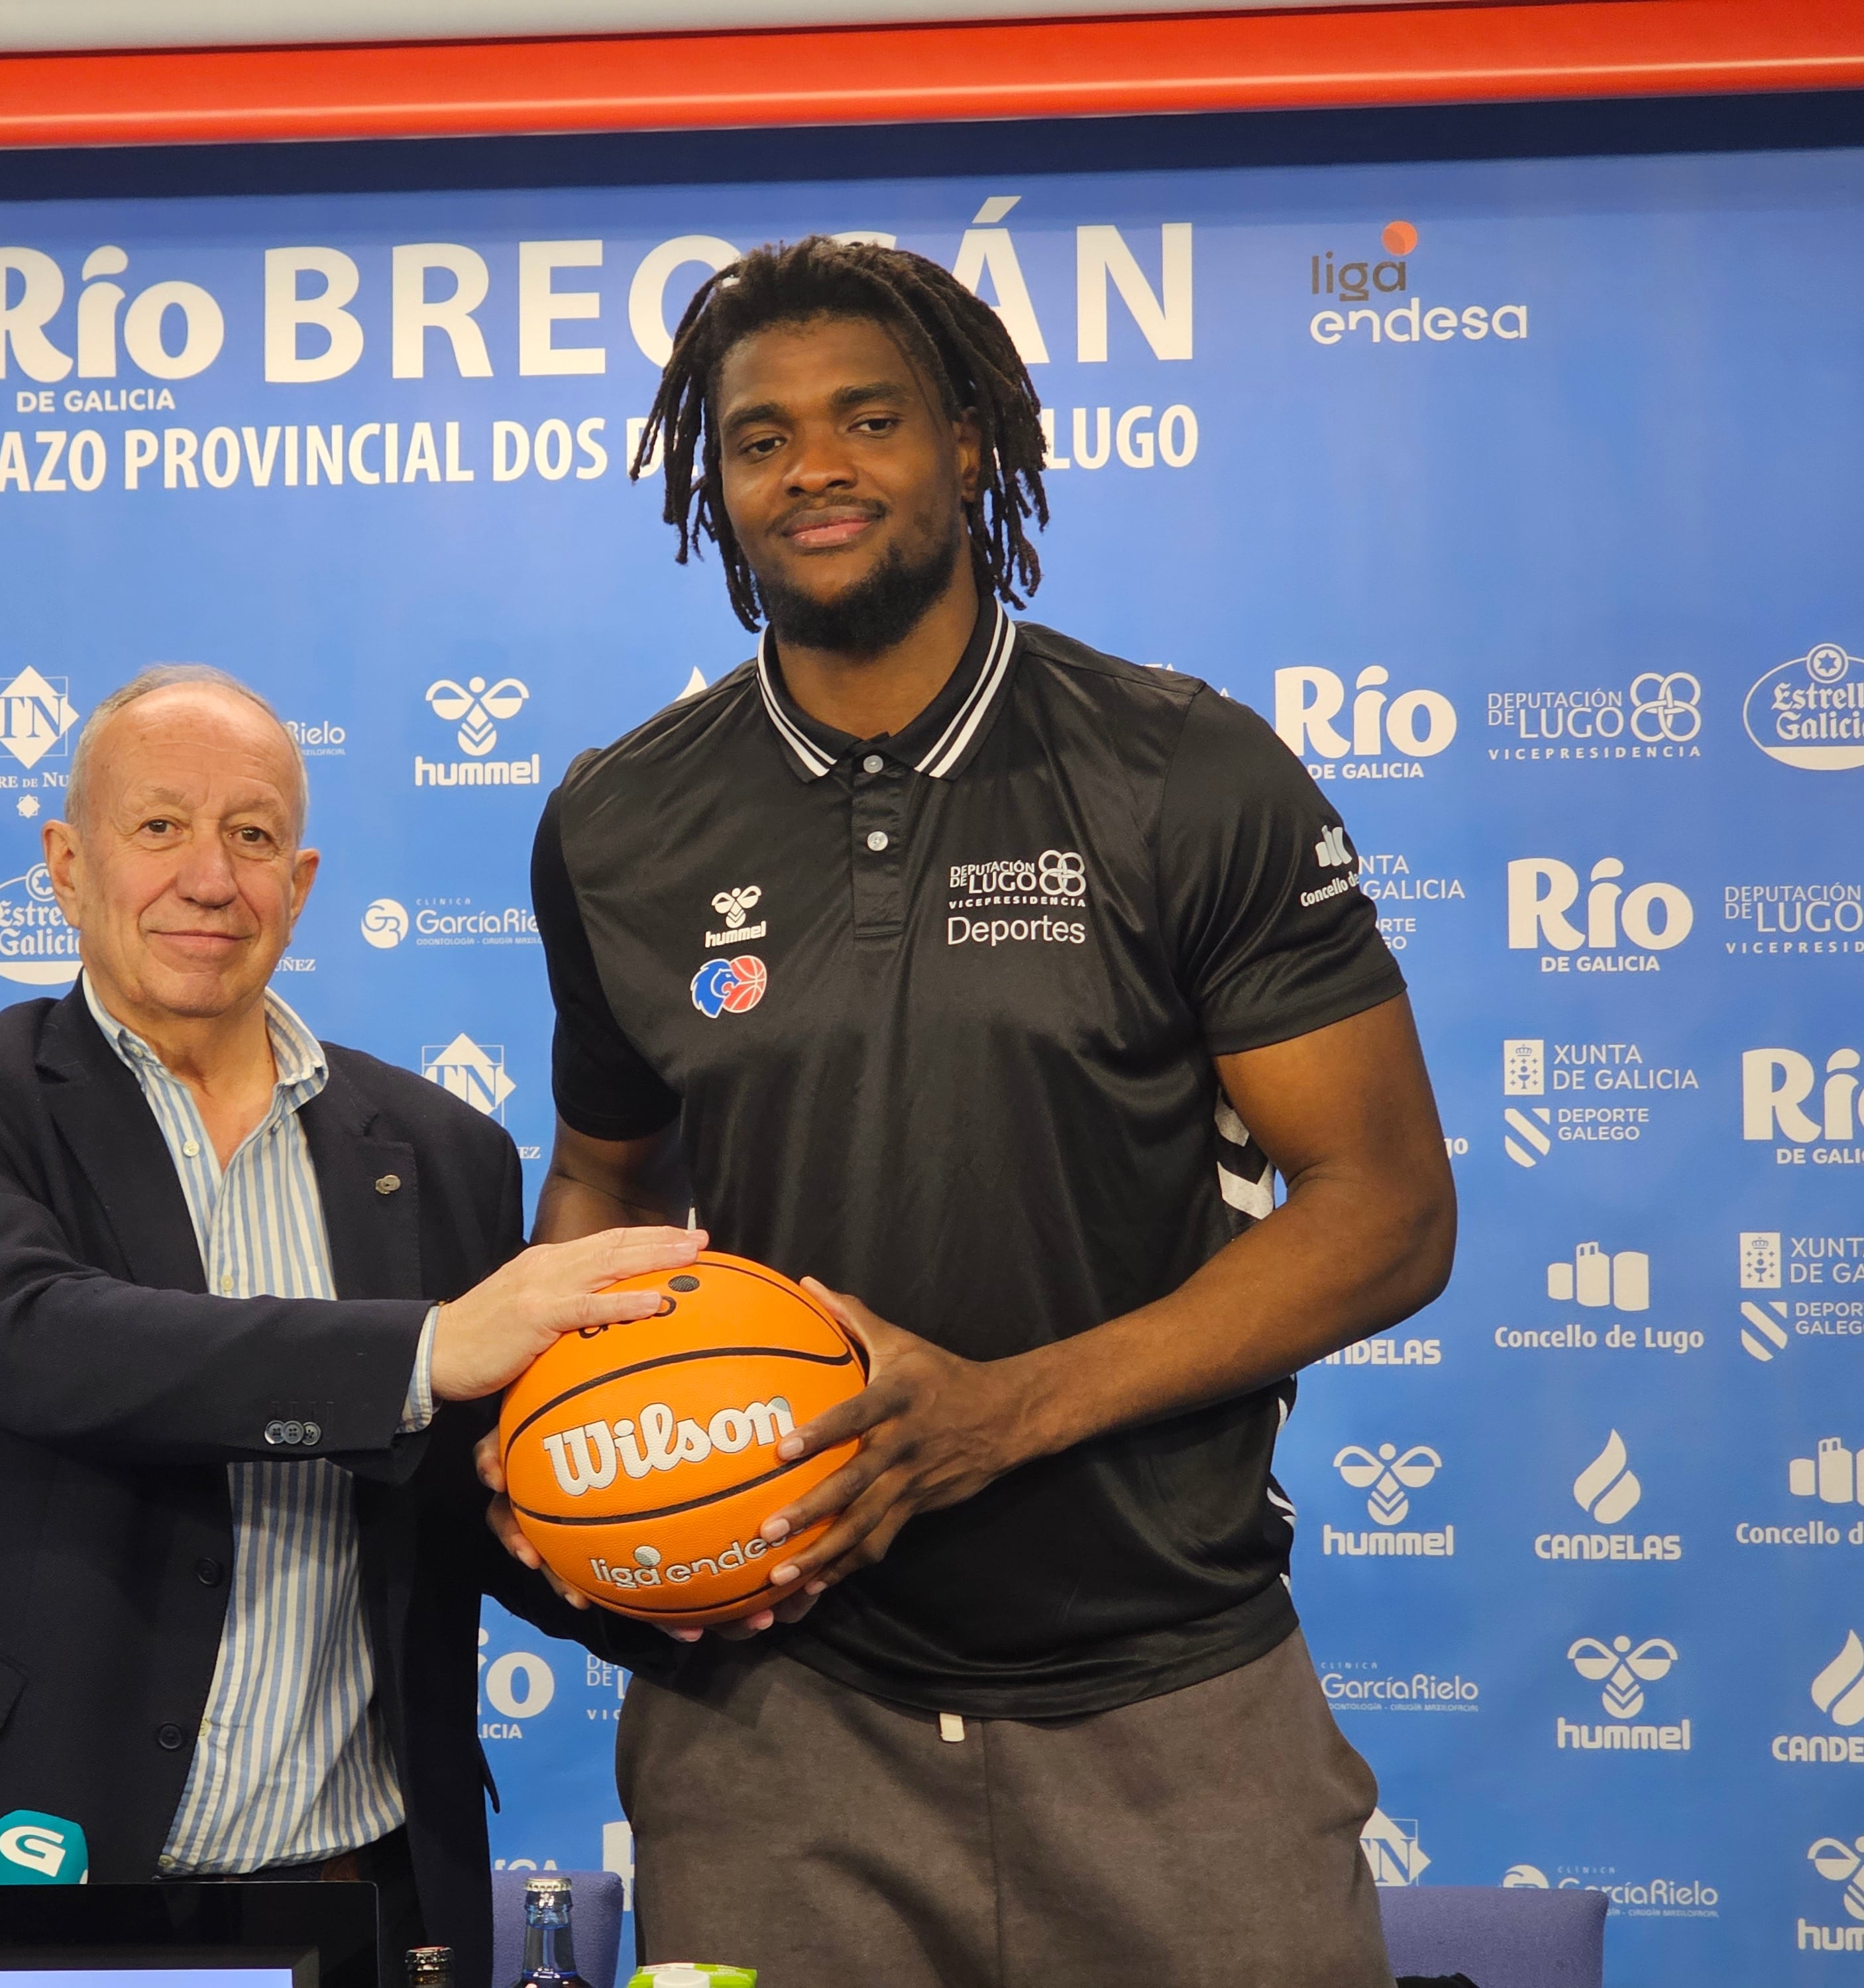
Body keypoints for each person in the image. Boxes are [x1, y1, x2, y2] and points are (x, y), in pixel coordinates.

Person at [492, 237, 1457, 1985]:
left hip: (1171, 1691)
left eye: (869, 417)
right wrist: (561, 1423)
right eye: (762, 437)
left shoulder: (1185, 771)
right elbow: (599, 1186)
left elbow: (1385, 1208)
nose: (815, 467)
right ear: (713, 487)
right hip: (775, 1719)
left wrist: (1002, 1415)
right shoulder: (617, 826)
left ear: (968, 444)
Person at [0, 665, 700, 1987]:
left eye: (252, 836)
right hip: (2, 1885)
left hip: (362, 1905)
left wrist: (666, 1573)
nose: (210, 879)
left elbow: (476, 1493)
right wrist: (428, 1350)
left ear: (302, 882)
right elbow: (42, 1341)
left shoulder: (440, 1152)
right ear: (66, 863)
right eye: (159, 828)